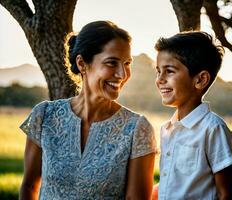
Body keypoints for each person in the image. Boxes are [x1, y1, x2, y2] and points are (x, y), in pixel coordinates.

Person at [19, 20, 157, 200]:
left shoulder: (137, 129)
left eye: (127, 63)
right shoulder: (44, 116)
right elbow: (29, 186)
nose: (122, 74)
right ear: (82, 63)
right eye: (112, 63)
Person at [153, 31, 232, 199]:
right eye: (158, 71)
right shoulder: (166, 129)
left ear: (200, 80)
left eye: (169, 71)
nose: (160, 79)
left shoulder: (213, 129)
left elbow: (226, 194)